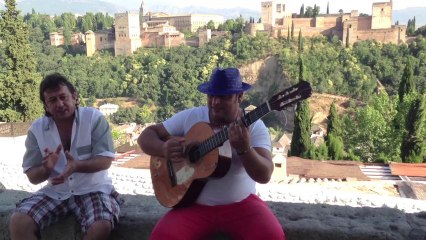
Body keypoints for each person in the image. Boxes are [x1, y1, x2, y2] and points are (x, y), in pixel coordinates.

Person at [138, 67, 285, 240]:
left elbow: (265, 174)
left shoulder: (254, 127)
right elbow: (146, 137)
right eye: (211, 96)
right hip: (192, 206)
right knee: (162, 237)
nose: (215, 102)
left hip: (241, 204)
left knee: (272, 236)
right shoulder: (192, 116)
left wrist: (245, 149)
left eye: (223, 97)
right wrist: (163, 149)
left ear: (239, 97)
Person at [9, 73, 123, 240]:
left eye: (63, 97)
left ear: (74, 96)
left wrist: (77, 166)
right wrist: (46, 168)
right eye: (52, 100)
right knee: (18, 221)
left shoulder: (93, 118)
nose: (60, 104)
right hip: (56, 192)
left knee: (101, 225)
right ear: (46, 105)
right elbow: (33, 176)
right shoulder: (37, 130)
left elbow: (105, 160)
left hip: (93, 189)